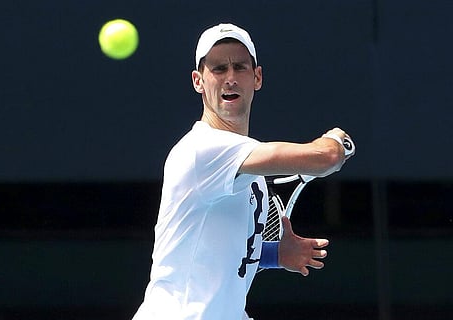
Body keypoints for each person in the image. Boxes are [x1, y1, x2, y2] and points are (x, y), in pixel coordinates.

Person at [133, 23, 354, 320]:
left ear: (257, 77)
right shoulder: (202, 149)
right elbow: (325, 158)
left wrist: (276, 256)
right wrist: (337, 144)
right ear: (198, 81)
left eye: (239, 67)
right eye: (218, 69)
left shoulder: (251, 177)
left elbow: (223, 255)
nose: (230, 78)